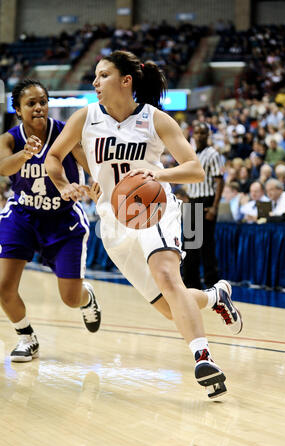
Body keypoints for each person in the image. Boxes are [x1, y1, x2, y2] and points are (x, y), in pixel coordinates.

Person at [46, 50, 242, 399]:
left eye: (103, 75)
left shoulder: (156, 120)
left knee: (168, 277)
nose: (95, 82)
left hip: (155, 209)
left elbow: (194, 169)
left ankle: (203, 357)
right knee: (170, 308)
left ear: (126, 81)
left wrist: (158, 172)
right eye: (95, 76)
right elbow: (55, 157)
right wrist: (66, 185)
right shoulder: (85, 117)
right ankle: (215, 296)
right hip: (113, 222)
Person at [0, 79, 102, 363]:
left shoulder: (64, 132)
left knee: (70, 298)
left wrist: (95, 184)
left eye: (43, 102)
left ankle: (87, 297)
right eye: (30, 103)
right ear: (18, 110)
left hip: (62, 219)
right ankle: (26, 337)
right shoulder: (9, 139)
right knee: (3, 287)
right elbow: (2, 167)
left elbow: (90, 165)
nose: (38, 107)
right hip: (23, 216)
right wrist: (25, 154)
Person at [182, 122, 224, 289]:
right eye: (197, 133)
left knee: (206, 244)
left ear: (208, 135)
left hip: (207, 200)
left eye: (203, 133)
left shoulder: (213, 154)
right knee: (189, 245)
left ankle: (211, 283)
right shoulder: (190, 153)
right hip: (192, 200)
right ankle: (191, 283)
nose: (199, 136)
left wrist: (214, 207)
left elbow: (220, 181)